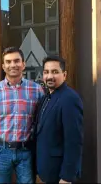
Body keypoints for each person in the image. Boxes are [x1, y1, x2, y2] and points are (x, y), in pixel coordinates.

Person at [0, 46, 44, 184]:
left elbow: (42, 123)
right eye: (8, 62)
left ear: (23, 64)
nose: (13, 65)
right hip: (1, 152)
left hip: (26, 151)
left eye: (16, 61)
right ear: (3, 66)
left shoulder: (36, 90)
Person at [36, 56, 83, 184]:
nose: (50, 76)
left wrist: (67, 177)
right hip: (46, 172)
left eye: (55, 72)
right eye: (46, 72)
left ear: (64, 74)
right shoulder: (46, 97)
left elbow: (74, 141)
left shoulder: (69, 99)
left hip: (60, 175)